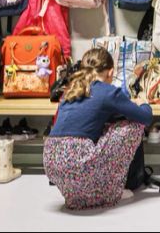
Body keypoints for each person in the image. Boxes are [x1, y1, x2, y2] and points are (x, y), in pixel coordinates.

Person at [43, 47, 153, 211]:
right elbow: (146, 117)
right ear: (110, 72)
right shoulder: (108, 91)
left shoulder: (71, 90)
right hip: (76, 160)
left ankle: (79, 196)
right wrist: (143, 102)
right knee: (134, 124)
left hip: (51, 160)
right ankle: (110, 191)